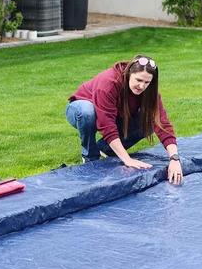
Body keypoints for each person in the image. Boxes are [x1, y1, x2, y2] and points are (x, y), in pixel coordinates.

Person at [65, 55, 183, 185]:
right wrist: (127, 159)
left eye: (146, 82)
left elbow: (162, 124)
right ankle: (90, 157)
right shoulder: (109, 82)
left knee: (148, 122)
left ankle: (105, 149)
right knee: (88, 112)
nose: (141, 86)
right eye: (138, 80)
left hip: (115, 113)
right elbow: (107, 125)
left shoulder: (149, 91)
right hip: (80, 109)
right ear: (128, 74)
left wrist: (174, 158)